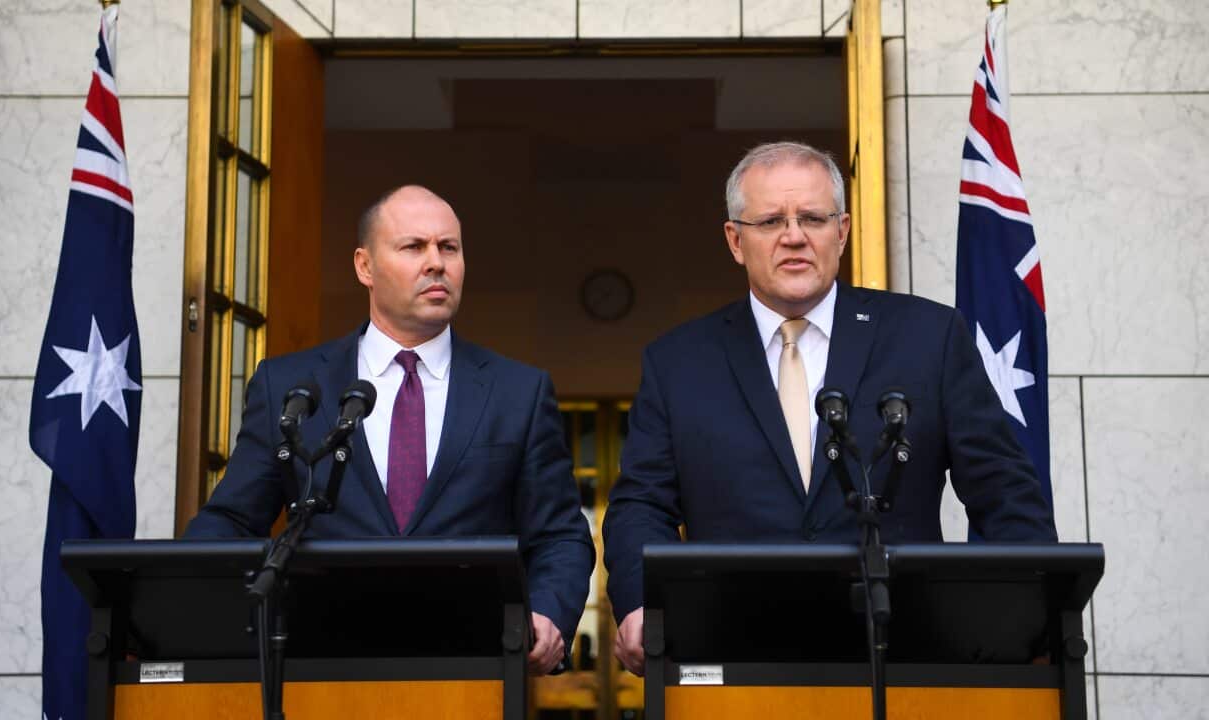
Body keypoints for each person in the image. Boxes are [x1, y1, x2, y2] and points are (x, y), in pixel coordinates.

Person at [602, 141, 1056, 675]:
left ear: (841, 231)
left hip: (901, 656)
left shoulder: (927, 338)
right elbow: (641, 506)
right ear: (735, 240)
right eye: (771, 221)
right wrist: (639, 603)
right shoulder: (677, 362)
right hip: (733, 658)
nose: (794, 236)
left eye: (812, 218)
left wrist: (1027, 614)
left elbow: (1004, 491)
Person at [185, 185, 594, 675]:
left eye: (449, 248)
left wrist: (549, 614)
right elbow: (230, 522)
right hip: (323, 668)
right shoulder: (291, 388)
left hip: (473, 672)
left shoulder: (518, 392)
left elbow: (561, 536)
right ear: (364, 266)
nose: (436, 263)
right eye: (413, 247)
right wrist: (186, 615)